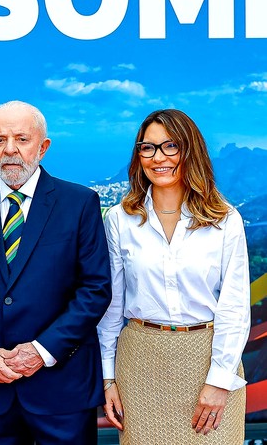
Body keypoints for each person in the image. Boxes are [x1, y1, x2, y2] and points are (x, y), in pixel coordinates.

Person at [0, 100, 112, 444]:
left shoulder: (80, 202)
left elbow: (94, 289)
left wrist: (41, 350)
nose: (10, 150)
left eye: (22, 139)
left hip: (62, 388)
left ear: (43, 146)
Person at [97, 109, 250, 444]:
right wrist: (108, 379)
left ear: (189, 151)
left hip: (208, 362)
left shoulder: (225, 220)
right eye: (147, 148)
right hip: (140, 365)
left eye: (170, 147)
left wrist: (219, 381)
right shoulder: (120, 219)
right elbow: (110, 307)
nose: (158, 157)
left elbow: (235, 308)